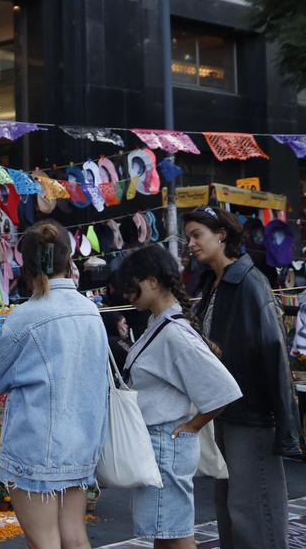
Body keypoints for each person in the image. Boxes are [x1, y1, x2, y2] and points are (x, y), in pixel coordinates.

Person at [0, 220, 107, 549]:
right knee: (75, 540)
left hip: (35, 447)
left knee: (45, 543)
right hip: (80, 445)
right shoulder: (90, 311)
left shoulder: (26, 315)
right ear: (69, 259)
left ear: (26, 264)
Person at [183, 207, 300, 548]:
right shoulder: (213, 284)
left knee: (253, 511)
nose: (190, 243)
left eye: (197, 235)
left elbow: (274, 352)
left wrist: (286, 426)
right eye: (188, 236)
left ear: (221, 234)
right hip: (224, 412)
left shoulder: (250, 282)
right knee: (232, 510)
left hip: (251, 414)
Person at [118, 244, 242, 547]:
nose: (125, 294)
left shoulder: (173, 331)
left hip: (166, 442)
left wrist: (193, 426)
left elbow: (223, 389)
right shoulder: (162, 324)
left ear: (151, 281)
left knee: (174, 533)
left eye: (130, 285)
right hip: (163, 442)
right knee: (167, 532)